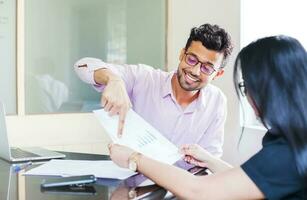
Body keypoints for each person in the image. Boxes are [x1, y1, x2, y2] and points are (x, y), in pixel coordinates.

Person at [109, 35, 307, 199]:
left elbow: (198, 190)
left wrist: (134, 158)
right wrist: (209, 160)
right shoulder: (294, 141)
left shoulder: (287, 152)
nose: (247, 97)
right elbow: (248, 180)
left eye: (247, 87)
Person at [74, 24, 233, 162]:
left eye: (207, 68)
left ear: (218, 74)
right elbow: (82, 66)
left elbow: (210, 159)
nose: (195, 71)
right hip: (134, 186)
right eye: (191, 59)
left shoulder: (217, 101)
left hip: (181, 190)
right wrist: (113, 80)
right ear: (181, 54)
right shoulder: (144, 79)